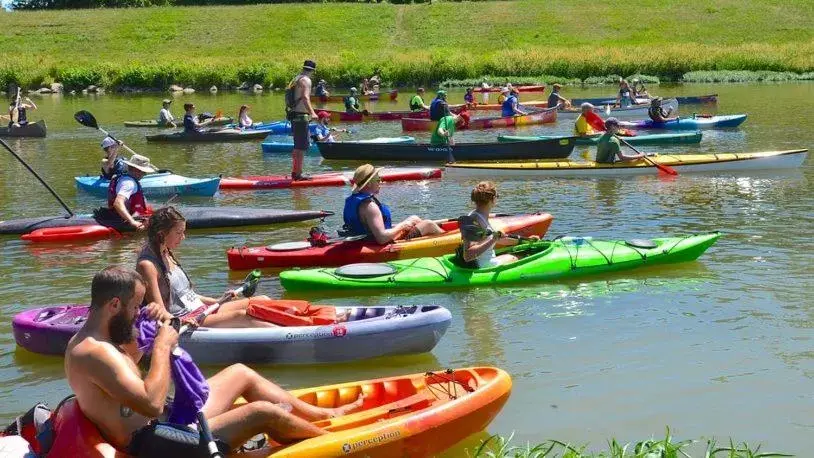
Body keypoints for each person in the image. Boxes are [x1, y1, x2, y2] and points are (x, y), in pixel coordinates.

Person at [65, 266, 364, 455]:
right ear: (114, 304)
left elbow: (126, 371)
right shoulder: (94, 352)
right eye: (134, 307)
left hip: (168, 420)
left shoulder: (94, 339)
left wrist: (153, 330)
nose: (138, 313)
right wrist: (161, 346)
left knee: (239, 373)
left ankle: (327, 416)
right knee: (261, 412)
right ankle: (342, 447)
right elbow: (151, 403)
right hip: (156, 442)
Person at [136, 206, 275, 328]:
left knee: (262, 301)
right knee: (242, 316)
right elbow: (159, 310)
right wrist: (180, 321)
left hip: (201, 310)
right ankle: (290, 337)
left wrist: (218, 301)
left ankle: (289, 326)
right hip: (186, 320)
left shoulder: (167, 252)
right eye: (179, 233)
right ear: (161, 234)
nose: (183, 237)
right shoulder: (147, 265)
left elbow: (187, 295)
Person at [343, 164, 444, 244]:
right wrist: (402, 225)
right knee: (428, 224)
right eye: (378, 180)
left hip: (366, 239)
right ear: (369, 184)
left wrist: (404, 225)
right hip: (381, 244)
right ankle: (448, 242)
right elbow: (382, 238)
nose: (381, 182)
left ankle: (429, 240)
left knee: (414, 219)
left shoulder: (354, 200)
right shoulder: (370, 206)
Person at [457, 181, 537, 268]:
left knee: (520, 252)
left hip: (487, 261)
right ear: (493, 199)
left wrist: (527, 240)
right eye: (497, 196)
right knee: (521, 257)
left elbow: (499, 239)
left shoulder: (480, 216)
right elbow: (468, 256)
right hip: (484, 266)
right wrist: (493, 239)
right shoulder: (474, 219)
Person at [103, 154, 157, 231]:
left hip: (116, 214)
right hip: (124, 220)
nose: (144, 174)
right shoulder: (129, 183)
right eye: (144, 172)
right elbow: (118, 203)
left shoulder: (122, 178)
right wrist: (132, 222)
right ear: (137, 170)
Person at [286, 59, 318, 181]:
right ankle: (298, 174)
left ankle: (295, 172)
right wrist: (313, 113)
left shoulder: (296, 79)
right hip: (301, 117)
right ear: (313, 70)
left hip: (293, 115)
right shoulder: (306, 80)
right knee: (301, 147)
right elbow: (305, 97)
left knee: (297, 146)